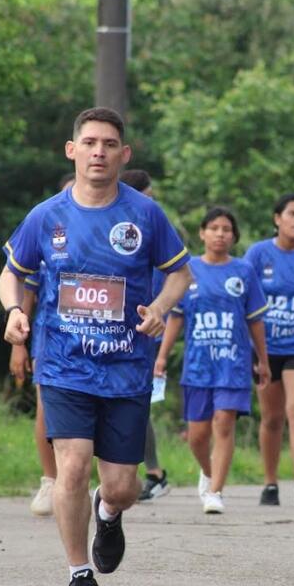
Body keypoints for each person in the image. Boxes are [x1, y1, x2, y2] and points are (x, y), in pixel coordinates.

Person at [0, 107, 191, 586]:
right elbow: (10, 272)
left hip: (126, 367)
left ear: (123, 155)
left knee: (122, 486)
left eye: (109, 144)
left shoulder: (145, 214)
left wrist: (161, 309)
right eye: (90, 143)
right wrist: (14, 311)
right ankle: (78, 573)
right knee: (73, 465)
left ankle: (109, 512)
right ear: (72, 150)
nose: (99, 152)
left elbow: (179, 274)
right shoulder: (46, 216)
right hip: (63, 363)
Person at [156, 206, 270, 514]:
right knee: (197, 435)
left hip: (233, 364)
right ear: (202, 233)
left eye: (226, 229)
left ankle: (216, 491)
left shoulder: (244, 271)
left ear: (234, 236)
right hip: (198, 365)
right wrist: (162, 357)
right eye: (214, 228)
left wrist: (263, 359)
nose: (220, 233)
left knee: (224, 423)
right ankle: (207, 472)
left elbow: (255, 320)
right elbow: (176, 319)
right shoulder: (188, 269)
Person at [244, 193, 294, 506]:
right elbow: (246, 301)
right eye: (292, 213)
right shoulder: (258, 254)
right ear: (277, 218)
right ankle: (271, 483)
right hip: (265, 348)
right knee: (273, 418)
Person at [12, 172, 75, 517]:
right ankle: (50, 479)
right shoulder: (49, 239)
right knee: (45, 408)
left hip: (99, 346)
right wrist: (18, 345)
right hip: (51, 338)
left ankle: (78, 479)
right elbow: (26, 292)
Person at [120, 169, 170, 502]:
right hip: (103, 331)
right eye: (149, 193)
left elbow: (178, 278)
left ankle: (152, 472)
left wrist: (159, 312)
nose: (153, 199)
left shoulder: (154, 229)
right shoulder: (113, 229)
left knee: (139, 403)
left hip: (142, 332)